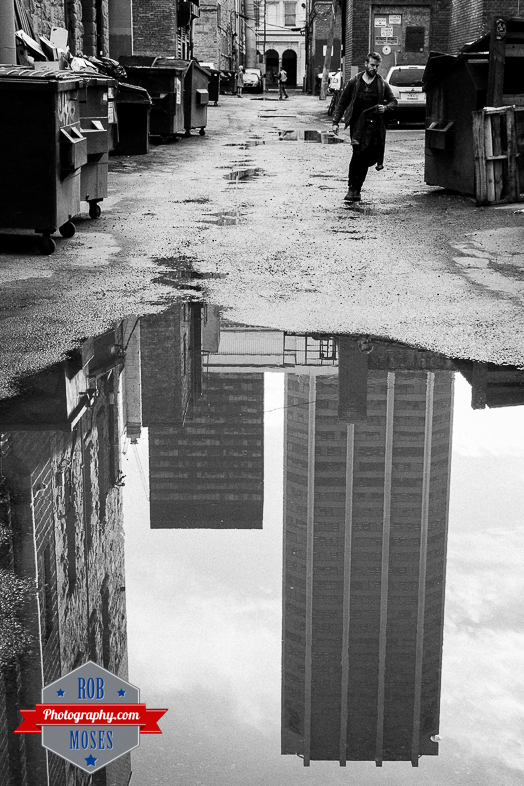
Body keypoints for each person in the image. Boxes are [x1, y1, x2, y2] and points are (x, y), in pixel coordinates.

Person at [331, 52, 397, 202]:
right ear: (366, 64)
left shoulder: (381, 84)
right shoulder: (355, 82)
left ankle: (358, 188)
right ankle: (351, 188)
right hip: (357, 126)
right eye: (372, 65)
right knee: (357, 154)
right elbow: (343, 102)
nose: (374, 68)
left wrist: (385, 108)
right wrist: (335, 122)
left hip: (374, 126)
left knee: (367, 157)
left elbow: (394, 102)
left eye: (377, 66)